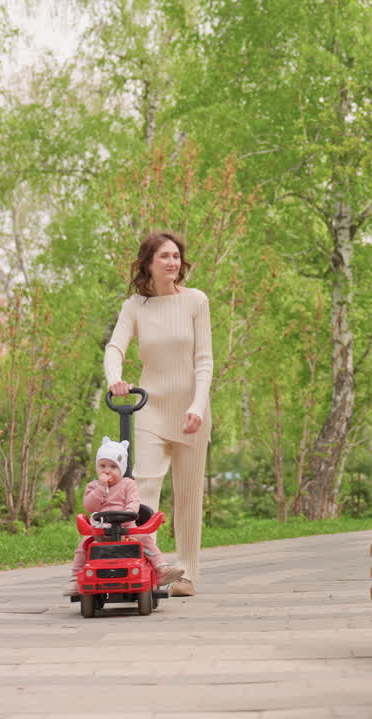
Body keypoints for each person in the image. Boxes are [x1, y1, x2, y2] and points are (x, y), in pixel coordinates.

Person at [105, 230, 212, 598]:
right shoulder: (135, 306)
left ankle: (187, 575)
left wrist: (197, 406)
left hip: (191, 411)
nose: (173, 262)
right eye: (164, 256)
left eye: (177, 256)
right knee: (145, 486)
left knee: (187, 496)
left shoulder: (197, 301)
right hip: (150, 407)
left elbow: (204, 361)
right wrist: (115, 379)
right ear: (148, 263)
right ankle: (149, 566)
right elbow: (115, 346)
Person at [65, 437, 185, 596]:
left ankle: (161, 568)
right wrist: (101, 487)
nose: (107, 470)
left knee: (145, 540)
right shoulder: (93, 486)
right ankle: (75, 579)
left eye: (113, 466)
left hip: (126, 528)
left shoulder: (128, 484)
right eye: (102, 466)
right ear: (97, 467)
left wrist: (128, 515)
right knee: (83, 546)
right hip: (101, 531)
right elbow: (90, 506)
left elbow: (133, 501)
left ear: (121, 468)